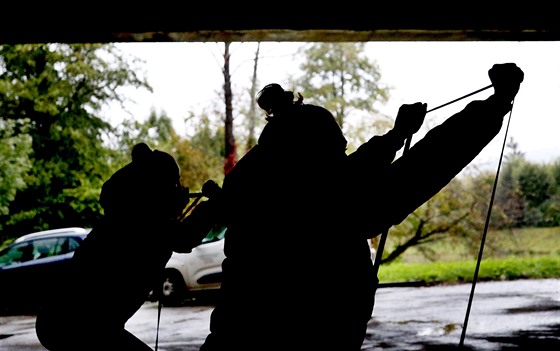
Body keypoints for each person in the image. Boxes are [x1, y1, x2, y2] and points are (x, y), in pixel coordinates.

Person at [199, 63, 524, 350]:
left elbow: (349, 170)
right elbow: (423, 166)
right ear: (313, 157)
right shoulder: (333, 205)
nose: (343, 158)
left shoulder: (256, 184)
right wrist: (496, 104)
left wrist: (397, 136)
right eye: (337, 151)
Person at [35, 142, 219, 351]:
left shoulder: (127, 214)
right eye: (173, 184)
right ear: (155, 187)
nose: (179, 189)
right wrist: (213, 206)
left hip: (70, 322)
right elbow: (184, 237)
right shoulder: (140, 220)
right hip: (77, 324)